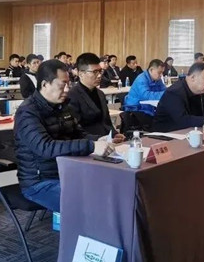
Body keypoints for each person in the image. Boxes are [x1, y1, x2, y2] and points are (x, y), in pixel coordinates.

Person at [14, 60, 118, 213]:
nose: (67, 89)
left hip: (68, 171)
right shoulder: (27, 112)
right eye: (62, 85)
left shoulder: (63, 107)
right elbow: (45, 147)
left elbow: (78, 134)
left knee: (111, 188)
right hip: (40, 182)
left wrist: (97, 140)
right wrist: (92, 146)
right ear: (45, 84)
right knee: (91, 203)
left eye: (68, 84)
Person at [153, 63, 204, 132]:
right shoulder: (174, 93)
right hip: (166, 135)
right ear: (193, 78)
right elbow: (184, 121)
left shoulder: (200, 93)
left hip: (189, 132)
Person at [67, 53, 126, 137]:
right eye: (94, 72)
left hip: (107, 139)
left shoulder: (100, 93)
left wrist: (115, 134)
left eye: (100, 71)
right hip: (90, 141)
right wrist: (98, 140)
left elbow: (107, 122)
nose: (99, 75)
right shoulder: (72, 96)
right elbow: (77, 131)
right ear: (81, 74)